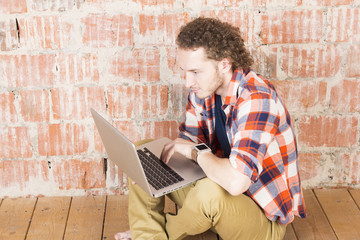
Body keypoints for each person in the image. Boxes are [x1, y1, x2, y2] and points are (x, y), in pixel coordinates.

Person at [115, 17, 306, 240]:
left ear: (223, 64)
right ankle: (146, 235)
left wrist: (194, 152)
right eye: (185, 71)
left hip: (259, 218)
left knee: (209, 195)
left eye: (195, 72)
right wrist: (152, 167)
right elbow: (185, 148)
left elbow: (236, 182)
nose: (188, 82)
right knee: (143, 152)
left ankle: (147, 233)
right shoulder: (203, 92)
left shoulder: (257, 99)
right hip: (214, 194)